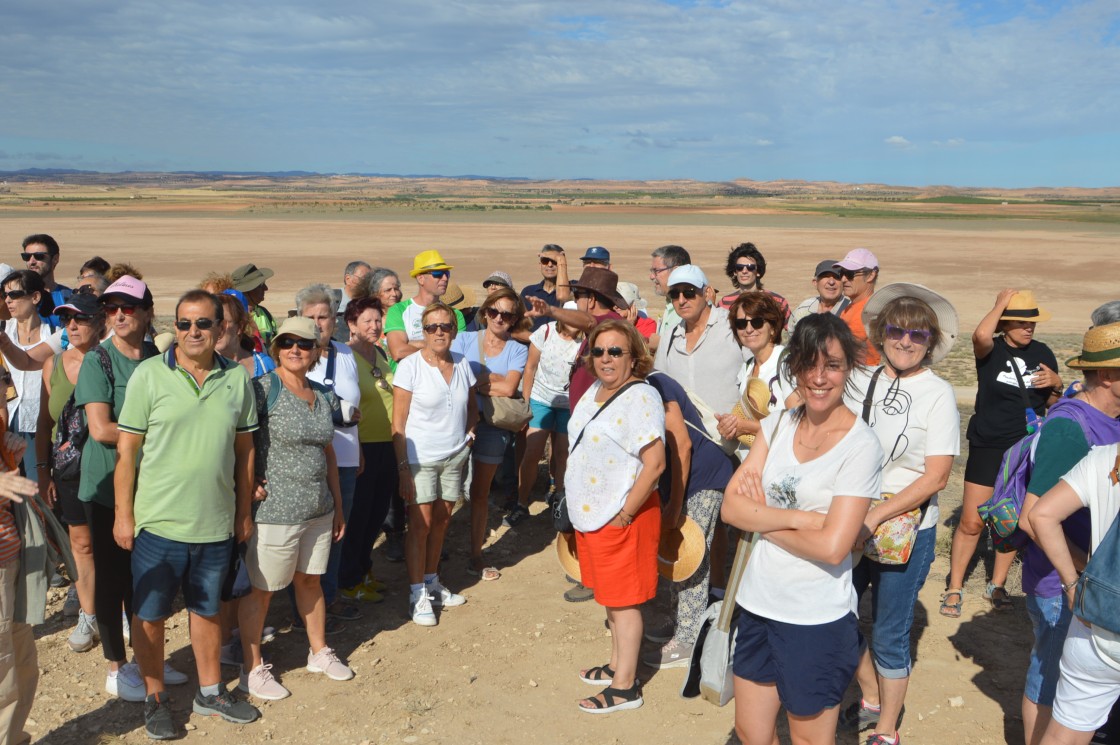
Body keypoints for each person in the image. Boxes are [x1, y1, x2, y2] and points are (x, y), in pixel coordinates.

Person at [720, 312, 883, 745]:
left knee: (810, 739)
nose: (819, 377)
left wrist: (763, 517)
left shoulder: (860, 446)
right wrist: (799, 519)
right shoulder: (777, 423)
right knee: (752, 734)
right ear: (792, 366)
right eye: (808, 363)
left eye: (832, 365)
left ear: (849, 368)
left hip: (814, 617)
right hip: (757, 603)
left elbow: (833, 548)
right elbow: (731, 509)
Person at [114, 289, 261, 738]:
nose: (192, 331)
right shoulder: (148, 376)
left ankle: (210, 691)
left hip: (215, 522)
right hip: (159, 523)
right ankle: (155, 698)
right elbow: (127, 451)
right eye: (183, 323)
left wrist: (242, 512)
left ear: (220, 329)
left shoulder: (236, 379)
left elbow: (245, 450)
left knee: (207, 610)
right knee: (151, 614)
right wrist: (124, 515)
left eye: (202, 323)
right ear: (173, 327)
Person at [838, 285, 961, 745]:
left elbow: (937, 477)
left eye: (918, 334)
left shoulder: (938, 394)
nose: (905, 341)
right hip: (851, 517)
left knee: (889, 632)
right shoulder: (861, 378)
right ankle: (869, 694)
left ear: (931, 341)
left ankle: (886, 728)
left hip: (906, 527)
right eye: (896, 330)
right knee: (835, 614)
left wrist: (877, 513)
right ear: (880, 333)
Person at [238, 317, 353, 701]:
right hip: (275, 510)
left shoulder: (323, 396)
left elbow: (328, 453)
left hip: (318, 508)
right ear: (275, 348)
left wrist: (336, 505)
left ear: (317, 350)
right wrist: (248, 484)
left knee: (310, 580)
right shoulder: (262, 389)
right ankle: (252, 668)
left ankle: (319, 651)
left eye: (304, 343)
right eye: (286, 342)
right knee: (263, 589)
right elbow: (243, 443)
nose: (295, 349)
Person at [1015, 323, 1120, 744]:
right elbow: (1031, 517)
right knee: (1051, 681)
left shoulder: (1109, 422)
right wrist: (1085, 579)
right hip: (1062, 585)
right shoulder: (1070, 427)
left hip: (1094, 590)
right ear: (1109, 375)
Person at [943, 289, 1061, 617]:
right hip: (988, 444)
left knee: (1008, 521)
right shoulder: (990, 350)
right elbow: (981, 334)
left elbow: (1052, 402)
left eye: (1032, 323)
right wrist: (998, 304)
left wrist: (1057, 382)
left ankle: (997, 584)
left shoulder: (1043, 352)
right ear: (1005, 323)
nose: (1029, 328)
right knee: (971, 521)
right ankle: (954, 586)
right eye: (1021, 322)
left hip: (1023, 448)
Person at [567, 320, 665, 713]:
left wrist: (625, 513)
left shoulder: (641, 397)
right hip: (596, 516)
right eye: (599, 351)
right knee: (611, 598)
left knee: (625, 604)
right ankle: (615, 665)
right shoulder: (596, 390)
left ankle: (625, 687)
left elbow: (654, 463)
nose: (606, 359)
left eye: (616, 352)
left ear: (633, 356)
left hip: (623, 515)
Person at [75, 276, 162, 703]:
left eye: (128, 307)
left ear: (147, 312)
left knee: (142, 579)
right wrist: (161, 435)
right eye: (111, 308)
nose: (119, 315)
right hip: (107, 487)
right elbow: (101, 428)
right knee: (111, 579)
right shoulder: (99, 361)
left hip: (149, 486)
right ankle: (116, 667)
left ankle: (147, 664)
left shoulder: (154, 355)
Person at [1030, 425, 1120, 745]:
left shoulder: (1107, 457)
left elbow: (1040, 515)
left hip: (1097, 622)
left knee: (1062, 734)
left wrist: (1072, 584)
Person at [642, 367, 735, 668]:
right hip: (681, 479)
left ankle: (688, 637)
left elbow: (682, 445)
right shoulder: (638, 389)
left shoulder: (657, 384)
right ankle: (678, 622)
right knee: (677, 553)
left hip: (702, 476)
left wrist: (673, 505)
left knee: (693, 553)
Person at [392, 303, 476, 626]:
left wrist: (469, 435)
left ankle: (431, 580)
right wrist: (402, 467)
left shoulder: (463, 363)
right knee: (421, 525)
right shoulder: (410, 367)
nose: (439, 332)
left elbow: (471, 406)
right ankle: (416, 593)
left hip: (454, 456)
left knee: (441, 521)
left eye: (445, 326)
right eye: (432, 327)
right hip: (420, 459)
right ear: (423, 332)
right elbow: (398, 423)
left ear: (454, 331)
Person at [34, 293, 106, 654]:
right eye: (66, 320)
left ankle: (118, 611)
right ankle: (89, 613)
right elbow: (44, 422)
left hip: (110, 466)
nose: (72, 326)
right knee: (80, 543)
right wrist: (43, 472)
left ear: (100, 322)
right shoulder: (53, 365)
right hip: (68, 469)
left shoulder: (114, 361)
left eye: (81, 319)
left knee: (115, 540)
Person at [452, 288, 530, 581]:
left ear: (513, 319)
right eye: (494, 312)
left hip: (493, 426)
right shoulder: (463, 339)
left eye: (507, 314)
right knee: (447, 491)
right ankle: (434, 556)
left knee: (480, 493)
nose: (500, 318)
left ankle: (476, 554)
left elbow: (510, 389)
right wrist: (491, 379)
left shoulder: (517, 349)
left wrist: (474, 382)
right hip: (459, 423)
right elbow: (454, 377)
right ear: (484, 313)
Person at [297, 284, 362, 622]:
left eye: (324, 316)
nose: (319, 322)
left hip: (346, 458)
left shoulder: (347, 354)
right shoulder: (294, 356)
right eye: (311, 317)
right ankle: (303, 609)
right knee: (308, 535)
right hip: (309, 463)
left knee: (338, 531)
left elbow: (357, 404)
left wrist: (359, 451)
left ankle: (330, 598)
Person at [0, 422, 59, 745]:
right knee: (3, 674)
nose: (6, 389)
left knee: (22, 666)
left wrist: (9, 455)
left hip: (12, 561)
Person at [339, 297, 397, 602]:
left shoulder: (380, 353)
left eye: (378, 320)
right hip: (360, 447)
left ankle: (364, 570)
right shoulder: (346, 358)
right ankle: (348, 580)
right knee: (358, 515)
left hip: (387, 443)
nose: (375, 326)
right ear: (351, 325)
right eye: (367, 322)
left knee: (376, 514)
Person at [508, 313, 583, 527]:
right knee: (532, 451)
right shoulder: (546, 332)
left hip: (569, 404)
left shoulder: (585, 339)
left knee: (562, 454)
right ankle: (521, 503)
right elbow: (530, 368)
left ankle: (559, 502)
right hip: (541, 399)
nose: (573, 323)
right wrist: (526, 402)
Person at [653, 264, 747, 418]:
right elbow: (660, 388)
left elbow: (759, 377)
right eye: (675, 294)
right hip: (686, 437)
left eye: (689, 293)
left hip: (731, 437)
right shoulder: (669, 337)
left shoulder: (733, 326)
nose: (681, 300)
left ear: (707, 292)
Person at [0, 270, 63, 476]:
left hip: (39, 425)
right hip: (4, 426)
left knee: (36, 492)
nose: (8, 300)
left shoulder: (54, 334)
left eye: (15, 295)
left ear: (35, 297)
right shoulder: (3, 331)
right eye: (5, 294)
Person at [714, 292, 797, 445]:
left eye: (757, 322)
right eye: (741, 324)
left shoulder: (786, 363)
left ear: (772, 327)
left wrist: (745, 427)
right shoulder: (746, 369)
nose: (749, 329)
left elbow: (798, 422)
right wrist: (729, 424)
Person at [384, 251, 466, 363]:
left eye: (447, 273)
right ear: (420, 278)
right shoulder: (398, 310)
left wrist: (412, 343)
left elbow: (459, 351)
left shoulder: (456, 314)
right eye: (438, 274)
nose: (445, 279)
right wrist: (439, 345)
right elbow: (398, 352)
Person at [834, 248, 881, 365]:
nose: (843, 279)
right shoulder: (852, 306)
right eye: (842, 273)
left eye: (850, 274)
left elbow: (839, 350)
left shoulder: (867, 311)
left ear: (871, 275)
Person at [215, 292, 275, 378]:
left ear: (239, 327)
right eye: (210, 323)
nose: (216, 329)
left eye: (222, 324)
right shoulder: (197, 369)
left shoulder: (264, 364)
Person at [20, 234, 72, 327]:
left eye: (39, 256)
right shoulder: (17, 297)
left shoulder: (70, 297)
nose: (32, 261)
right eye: (26, 257)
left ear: (55, 259)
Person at [648, 244, 692, 353]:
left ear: (676, 271)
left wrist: (660, 343)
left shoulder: (692, 306)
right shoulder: (670, 303)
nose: (652, 277)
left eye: (656, 271)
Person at [787, 259, 851, 332]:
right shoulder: (803, 309)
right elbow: (790, 339)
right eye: (826, 276)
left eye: (837, 277)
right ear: (815, 282)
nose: (831, 282)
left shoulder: (851, 310)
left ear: (844, 283)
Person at [520, 245, 571, 331]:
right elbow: (517, 330)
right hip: (532, 343)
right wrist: (539, 341)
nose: (550, 265)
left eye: (555, 261)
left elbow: (564, 297)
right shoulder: (528, 291)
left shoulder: (573, 288)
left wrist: (561, 261)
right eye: (545, 261)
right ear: (540, 265)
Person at [231, 263, 277, 348]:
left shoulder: (265, 313)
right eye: (261, 285)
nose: (266, 288)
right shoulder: (231, 318)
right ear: (247, 291)